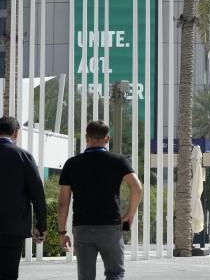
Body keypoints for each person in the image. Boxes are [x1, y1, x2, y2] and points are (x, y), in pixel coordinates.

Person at [58, 120, 142, 280]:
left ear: (86, 137)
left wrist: (62, 232)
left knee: (86, 276)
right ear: (107, 139)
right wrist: (129, 215)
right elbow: (137, 188)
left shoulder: (71, 164)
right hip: (110, 226)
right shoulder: (119, 160)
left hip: (82, 227)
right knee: (115, 274)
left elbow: (63, 202)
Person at [0, 117, 46, 280]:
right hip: (14, 228)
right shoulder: (23, 156)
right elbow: (38, 194)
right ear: (16, 132)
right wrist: (41, 226)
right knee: (9, 274)